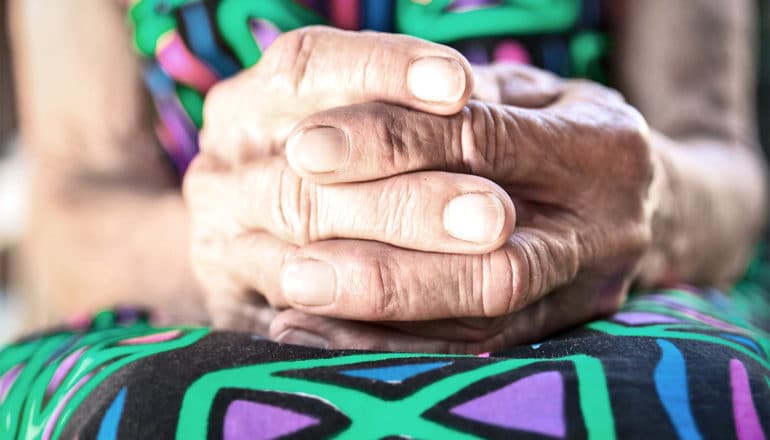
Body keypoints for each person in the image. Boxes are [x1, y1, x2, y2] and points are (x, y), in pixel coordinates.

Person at [1, 0, 768, 438]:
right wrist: (226, 244)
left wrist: (642, 192)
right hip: (192, 298)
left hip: (611, 285)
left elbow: (724, 171)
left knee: (704, 403)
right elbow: (72, 213)